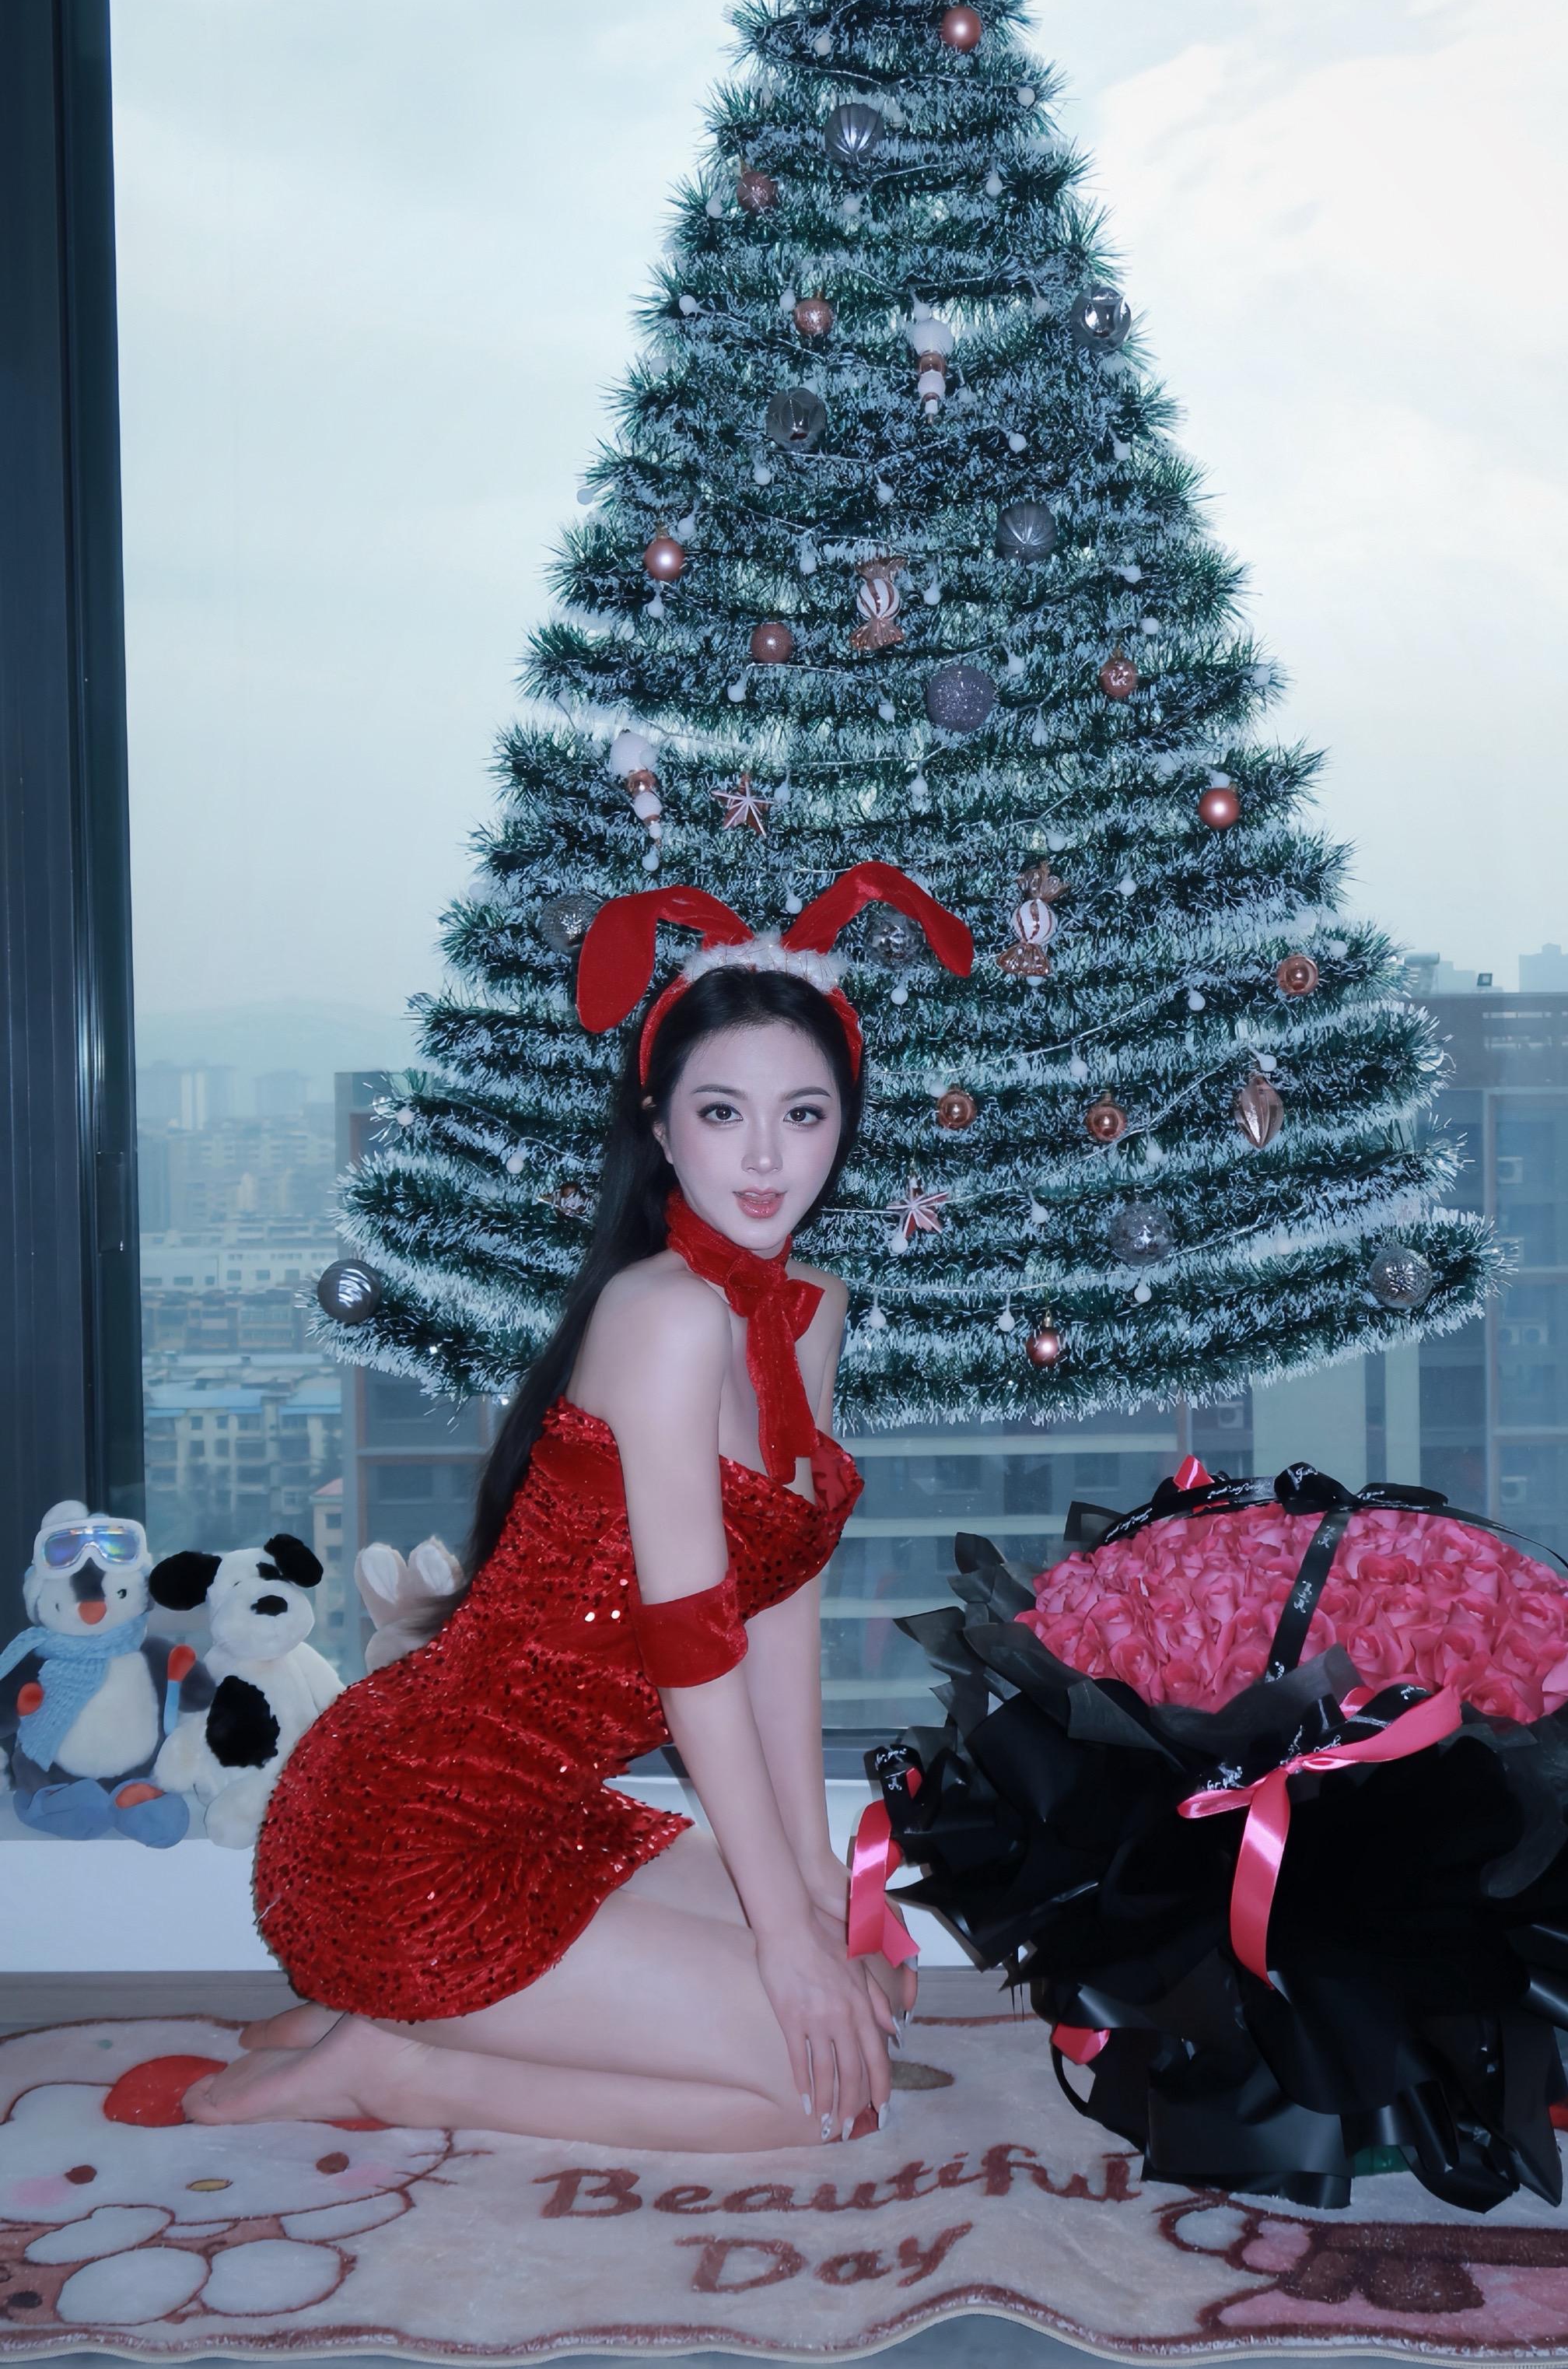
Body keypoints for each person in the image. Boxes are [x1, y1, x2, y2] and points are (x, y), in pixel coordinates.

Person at [180, 862, 974, 2152]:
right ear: (661, 1128)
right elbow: (695, 1647)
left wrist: (813, 1880)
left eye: (804, 1114)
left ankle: (423, 2021)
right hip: (401, 1839)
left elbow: (781, 1621)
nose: (764, 1158)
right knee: (822, 2092)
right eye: (722, 1112)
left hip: (547, 1814)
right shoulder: (661, 1317)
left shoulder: (811, 1310)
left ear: (845, 1124)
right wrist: (781, 1940)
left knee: (864, 1996)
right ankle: (392, 2066)